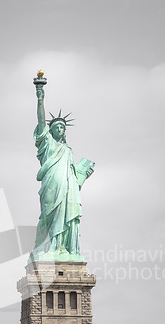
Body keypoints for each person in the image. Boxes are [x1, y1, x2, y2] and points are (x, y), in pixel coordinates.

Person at [31, 84, 94, 260]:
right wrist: (40, 99)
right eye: (56, 127)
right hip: (51, 186)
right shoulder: (47, 144)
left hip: (67, 190)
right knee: (48, 216)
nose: (59, 129)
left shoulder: (68, 151)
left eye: (62, 127)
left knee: (66, 217)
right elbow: (41, 121)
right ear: (50, 131)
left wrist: (83, 175)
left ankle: (63, 250)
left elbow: (74, 177)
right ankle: (49, 248)